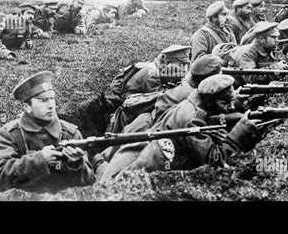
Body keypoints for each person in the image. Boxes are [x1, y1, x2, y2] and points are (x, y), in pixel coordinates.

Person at [98, 74, 263, 183]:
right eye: (225, 103)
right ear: (210, 101)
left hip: (137, 162)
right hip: (134, 180)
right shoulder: (191, 119)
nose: (230, 108)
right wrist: (239, 132)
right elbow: (215, 161)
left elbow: (208, 119)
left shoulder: (191, 105)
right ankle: (98, 163)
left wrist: (232, 116)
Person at [93, 55, 224, 174]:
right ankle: (96, 165)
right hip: (147, 126)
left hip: (149, 123)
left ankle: (98, 162)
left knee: (118, 153)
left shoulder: (188, 87)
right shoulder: (189, 94)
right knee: (119, 162)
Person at [0, 71, 95, 192]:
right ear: (27, 107)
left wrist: (75, 165)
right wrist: (39, 160)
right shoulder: (9, 135)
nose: (51, 106)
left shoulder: (70, 133)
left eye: (52, 99)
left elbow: (89, 182)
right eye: (43, 101)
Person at [218, 22, 288, 86]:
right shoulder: (246, 53)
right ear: (261, 39)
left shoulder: (272, 49)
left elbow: (282, 62)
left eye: (277, 37)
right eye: (274, 37)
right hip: (237, 91)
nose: (277, 40)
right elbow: (252, 79)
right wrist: (275, 67)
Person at [110, 45, 191, 101]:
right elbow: (162, 99)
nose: (183, 69)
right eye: (181, 65)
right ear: (168, 62)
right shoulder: (151, 73)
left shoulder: (158, 67)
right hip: (131, 103)